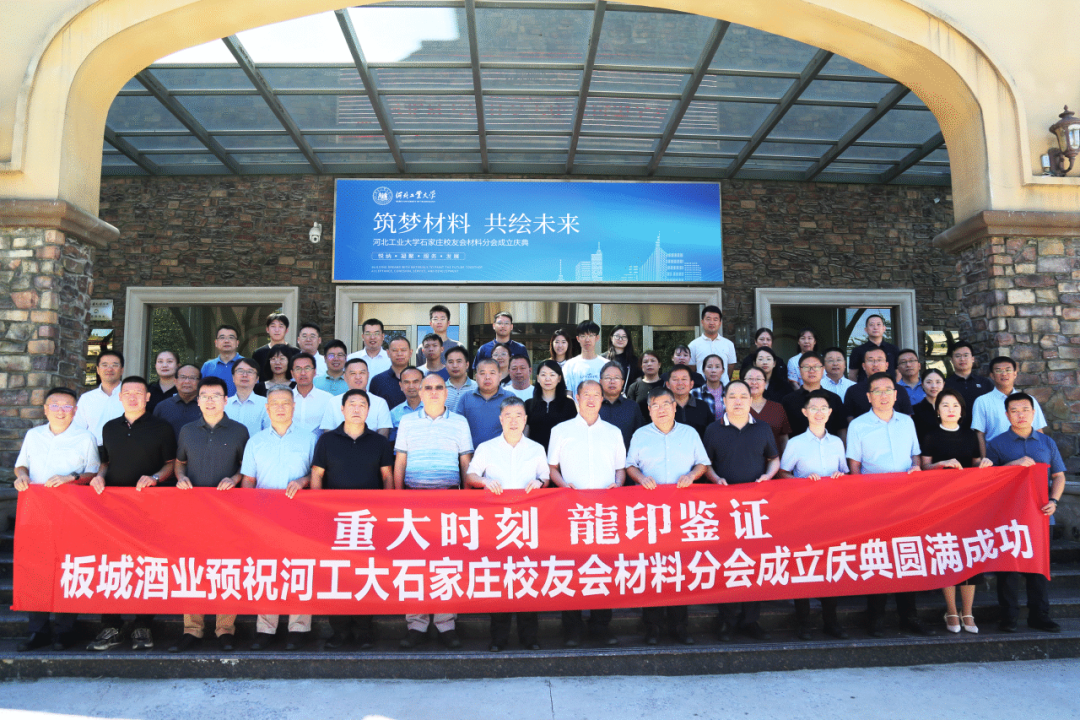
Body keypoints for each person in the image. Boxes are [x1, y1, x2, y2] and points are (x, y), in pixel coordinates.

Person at [86, 375, 177, 652]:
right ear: (120, 397)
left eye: (139, 392)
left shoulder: (162, 427)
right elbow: (106, 462)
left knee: (146, 565)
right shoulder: (109, 427)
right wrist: (99, 477)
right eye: (128, 393)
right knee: (111, 564)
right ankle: (110, 624)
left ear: (148, 397)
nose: (133, 397)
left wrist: (155, 478)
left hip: (149, 507)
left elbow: (171, 464)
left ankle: (143, 624)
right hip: (113, 509)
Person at [13, 387, 100, 652]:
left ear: (75, 411)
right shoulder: (33, 435)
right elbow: (21, 464)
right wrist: (21, 475)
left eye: (67, 406)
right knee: (36, 569)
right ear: (45, 409)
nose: (60, 411)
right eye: (55, 405)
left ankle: (64, 631)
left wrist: (70, 478)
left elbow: (92, 473)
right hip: (36, 511)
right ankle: (37, 630)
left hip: (70, 512)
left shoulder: (85, 437)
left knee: (67, 568)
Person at [169, 376, 249, 653]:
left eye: (216, 396)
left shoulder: (239, 431)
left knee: (227, 568)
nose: (210, 400)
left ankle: (225, 629)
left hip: (229, 512)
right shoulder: (187, 430)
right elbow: (180, 463)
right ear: (198, 400)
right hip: (194, 512)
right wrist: (180, 477)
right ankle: (192, 629)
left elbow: (246, 468)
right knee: (193, 568)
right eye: (205, 395)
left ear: (226, 400)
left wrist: (234, 479)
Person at [846, 372, 930, 637]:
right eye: (877, 391)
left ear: (896, 394)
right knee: (878, 557)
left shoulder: (907, 421)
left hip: (906, 499)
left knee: (907, 555)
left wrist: (916, 468)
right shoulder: (858, 425)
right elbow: (854, 465)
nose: (883, 395)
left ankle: (909, 616)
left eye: (888, 390)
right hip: (875, 501)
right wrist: (861, 499)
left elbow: (915, 455)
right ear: (869, 396)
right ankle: (876, 618)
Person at [394, 373, 474, 650]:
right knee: (414, 566)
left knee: (446, 565)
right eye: (427, 387)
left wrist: (467, 501)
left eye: (439, 387)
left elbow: (466, 463)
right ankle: (416, 624)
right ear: (420, 391)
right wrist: (397, 500)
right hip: (413, 501)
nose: (433, 391)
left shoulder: (459, 422)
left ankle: (445, 624)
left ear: (446, 392)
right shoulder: (407, 421)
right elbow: (400, 461)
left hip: (449, 502)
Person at [311, 388, 394, 651]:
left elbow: (387, 477)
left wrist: (387, 512)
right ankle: (339, 632)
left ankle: (364, 631)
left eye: (362, 405)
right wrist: (318, 509)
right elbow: (317, 475)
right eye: (352, 404)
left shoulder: (379, 442)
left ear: (369, 411)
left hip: (369, 521)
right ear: (342, 409)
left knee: (365, 574)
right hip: (334, 520)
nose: (357, 409)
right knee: (337, 574)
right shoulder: (327, 441)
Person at [625, 386, 708, 646]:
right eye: (655, 405)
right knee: (652, 569)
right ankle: (652, 627)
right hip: (649, 514)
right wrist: (641, 478)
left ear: (674, 406)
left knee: (679, 568)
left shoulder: (689, 433)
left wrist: (692, 475)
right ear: (649, 410)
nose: (661, 409)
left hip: (682, 513)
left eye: (665, 404)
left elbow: (702, 463)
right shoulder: (640, 435)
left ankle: (680, 626)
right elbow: (630, 465)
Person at [465, 396, 549, 651]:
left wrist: (539, 483)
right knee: (499, 579)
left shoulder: (536, 448)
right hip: (497, 524)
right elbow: (470, 475)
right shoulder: (487, 447)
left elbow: (545, 476)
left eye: (518, 416)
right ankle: (498, 639)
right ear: (501, 419)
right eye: (508, 416)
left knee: (527, 577)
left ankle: (529, 638)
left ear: (525, 419)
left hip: (527, 523)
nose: (513, 421)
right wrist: (484, 482)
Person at [548, 380, 626, 647]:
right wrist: (563, 486)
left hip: (605, 511)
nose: (591, 399)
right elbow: (551, 467)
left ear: (603, 399)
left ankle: (601, 626)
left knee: (602, 567)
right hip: (571, 511)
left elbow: (620, 469)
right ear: (577, 398)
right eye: (586, 394)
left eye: (596, 394)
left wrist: (618, 485)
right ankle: (572, 628)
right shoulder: (561, 430)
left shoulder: (613, 432)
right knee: (571, 568)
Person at [240, 386, 318, 651]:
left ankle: (299, 628)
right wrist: (248, 515)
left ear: (294, 406)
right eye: (275, 403)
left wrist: (303, 481)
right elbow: (248, 480)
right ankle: (265, 628)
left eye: (286, 402)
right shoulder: (256, 441)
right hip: (265, 516)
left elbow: (317, 474)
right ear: (267, 408)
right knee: (267, 571)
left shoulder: (309, 439)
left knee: (300, 570)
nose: (281, 407)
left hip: (300, 515)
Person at [704, 379, 779, 641]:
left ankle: (750, 620)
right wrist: (715, 478)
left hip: (755, 510)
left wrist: (768, 476)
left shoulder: (763, 428)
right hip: (724, 509)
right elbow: (705, 464)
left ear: (751, 400)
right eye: (732, 396)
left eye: (743, 396)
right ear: (723, 400)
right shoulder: (713, 429)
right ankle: (726, 620)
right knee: (727, 563)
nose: (738, 401)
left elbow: (773, 458)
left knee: (753, 563)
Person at [985, 392, 1066, 634]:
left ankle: (1040, 616)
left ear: (1033, 413)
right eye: (1015, 410)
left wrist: (1054, 500)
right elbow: (988, 479)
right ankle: (1008, 617)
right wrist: (1012, 465)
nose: (1020, 415)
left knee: (1038, 570)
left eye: (1025, 410)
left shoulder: (1046, 442)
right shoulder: (996, 443)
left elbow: (1059, 475)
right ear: (1007, 414)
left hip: (1040, 515)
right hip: (1009, 517)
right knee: (1008, 569)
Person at [776, 389, 849, 641]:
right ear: (805, 412)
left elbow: (845, 472)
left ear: (830, 412)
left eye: (823, 408)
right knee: (803, 566)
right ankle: (804, 623)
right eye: (814, 408)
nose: (819, 412)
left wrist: (841, 476)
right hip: (803, 514)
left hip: (832, 513)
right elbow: (783, 472)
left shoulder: (837, 443)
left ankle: (831, 621)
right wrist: (802, 482)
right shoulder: (796, 443)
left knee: (831, 565)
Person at [918, 388, 991, 635]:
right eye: (945, 405)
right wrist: (941, 465)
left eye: (955, 406)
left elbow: (976, 466)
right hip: (940, 503)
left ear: (962, 411)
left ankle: (967, 611)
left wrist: (984, 464)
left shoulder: (970, 436)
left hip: (968, 503)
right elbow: (924, 467)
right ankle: (951, 610)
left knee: (970, 556)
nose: (951, 410)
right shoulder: (930, 435)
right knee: (947, 554)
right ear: (938, 410)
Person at [972, 355, 1048, 457]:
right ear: (992, 375)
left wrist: (1043, 455)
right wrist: (985, 460)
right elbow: (979, 434)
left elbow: (1038, 430)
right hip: (997, 456)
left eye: (1008, 370)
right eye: (998, 370)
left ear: (1015, 373)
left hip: (1029, 455)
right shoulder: (982, 401)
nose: (1004, 374)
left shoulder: (1029, 400)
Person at [782, 352, 847, 442]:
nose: (811, 371)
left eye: (816, 367)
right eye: (806, 367)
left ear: (823, 369)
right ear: (800, 370)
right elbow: (784, 435)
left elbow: (842, 430)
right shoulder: (788, 400)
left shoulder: (834, 399)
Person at [319, 358, 392, 437]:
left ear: (368, 375)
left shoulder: (380, 403)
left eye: (362, 373)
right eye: (353, 373)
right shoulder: (334, 402)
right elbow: (328, 432)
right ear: (345, 377)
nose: (358, 377)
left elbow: (383, 433)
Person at [844, 347, 913, 421]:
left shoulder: (900, 390)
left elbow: (907, 419)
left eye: (879, 360)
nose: (875, 364)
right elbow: (850, 419)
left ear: (887, 365)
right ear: (864, 366)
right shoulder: (852, 391)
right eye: (870, 360)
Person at [73, 349, 125, 446]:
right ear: (98, 370)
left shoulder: (130, 397)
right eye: (104, 365)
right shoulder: (86, 399)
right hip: (93, 450)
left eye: (114, 365)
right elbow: (78, 429)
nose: (109, 369)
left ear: (122, 370)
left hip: (124, 449)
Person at [458, 358, 513, 449]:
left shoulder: (510, 398)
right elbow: (457, 427)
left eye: (492, 373)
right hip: (471, 453)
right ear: (476, 377)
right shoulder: (466, 398)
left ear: (499, 376)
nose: (487, 377)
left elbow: (516, 428)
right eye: (482, 373)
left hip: (502, 453)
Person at [524, 360, 577, 451]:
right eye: (543, 375)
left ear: (559, 378)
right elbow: (525, 434)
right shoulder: (529, 404)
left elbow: (573, 433)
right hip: (535, 455)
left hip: (561, 455)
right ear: (538, 378)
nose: (547, 379)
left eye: (552, 375)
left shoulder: (569, 404)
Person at [743, 366, 791, 457]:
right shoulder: (735, 408)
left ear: (765, 383)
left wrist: (785, 462)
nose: (754, 382)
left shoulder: (777, 408)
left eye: (758, 379)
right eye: (750, 379)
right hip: (744, 462)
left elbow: (784, 439)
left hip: (775, 462)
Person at [598, 361, 645, 449]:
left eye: (616, 378)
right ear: (600, 381)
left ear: (622, 382)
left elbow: (641, 437)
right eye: (608, 378)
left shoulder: (632, 407)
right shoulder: (593, 407)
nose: (612, 381)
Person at [944, 342, 993, 423]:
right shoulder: (945, 384)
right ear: (951, 360)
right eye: (958, 356)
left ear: (973, 359)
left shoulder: (985, 383)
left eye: (966, 355)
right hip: (954, 428)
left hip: (981, 428)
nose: (962, 359)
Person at [152, 364, 201, 439]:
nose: (187, 381)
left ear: (200, 382)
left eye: (192, 378)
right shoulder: (162, 407)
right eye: (183, 377)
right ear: (175, 381)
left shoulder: (207, 406)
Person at [225, 357, 270, 439]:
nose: (244, 375)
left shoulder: (266, 404)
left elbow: (270, 433)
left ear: (257, 379)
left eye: (250, 372)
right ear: (233, 377)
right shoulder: (223, 405)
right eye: (240, 371)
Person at [562, 320, 608, 400]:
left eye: (591, 335)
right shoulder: (569, 365)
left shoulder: (606, 364)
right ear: (578, 338)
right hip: (576, 408)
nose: (587, 339)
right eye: (583, 336)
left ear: (597, 338)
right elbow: (568, 393)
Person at [688, 304, 736, 380]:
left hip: (724, 386)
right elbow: (692, 369)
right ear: (702, 322)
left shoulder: (729, 344)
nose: (712, 322)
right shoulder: (693, 345)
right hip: (701, 386)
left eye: (715, 319)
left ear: (720, 323)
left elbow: (730, 370)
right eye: (708, 319)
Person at [289, 353, 334, 434]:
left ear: (315, 372)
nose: (303, 373)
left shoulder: (328, 399)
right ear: (292, 373)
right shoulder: (284, 398)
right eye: (298, 369)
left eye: (307, 368)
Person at [847, 314, 899, 381]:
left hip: (889, 387)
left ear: (884, 328)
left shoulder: (894, 349)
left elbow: (899, 373)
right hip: (865, 387)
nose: (875, 328)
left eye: (878, 324)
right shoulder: (857, 351)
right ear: (866, 329)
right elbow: (852, 375)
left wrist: (894, 386)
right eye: (871, 325)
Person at [666, 364, 712, 440]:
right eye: (675, 379)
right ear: (668, 385)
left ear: (691, 384)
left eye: (684, 379)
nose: (680, 383)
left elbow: (710, 434)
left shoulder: (703, 406)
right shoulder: (662, 408)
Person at [252, 312, 299, 383]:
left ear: (286, 330)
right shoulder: (258, 353)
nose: (277, 330)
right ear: (267, 329)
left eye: (281, 326)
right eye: (273, 326)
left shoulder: (296, 352)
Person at [369, 335, 412, 409]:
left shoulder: (421, 378)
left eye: (403, 350)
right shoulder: (377, 381)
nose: (399, 354)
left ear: (410, 353)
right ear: (388, 353)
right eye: (395, 350)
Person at [200, 324, 243, 397]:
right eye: (222, 337)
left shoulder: (247, 364)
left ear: (237, 343)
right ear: (216, 343)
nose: (226, 341)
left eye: (231, 337)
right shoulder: (207, 366)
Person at [388, 366, 425, 441]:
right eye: (406, 382)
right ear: (401, 386)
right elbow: (392, 442)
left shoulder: (435, 410)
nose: (411, 386)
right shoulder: (394, 413)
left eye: (415, 382)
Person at [912, 368, 946, 444]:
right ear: (922, 385)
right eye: (929, 382)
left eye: (938, 382)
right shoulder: (915, 411)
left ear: (943, 384)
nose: (934, 386)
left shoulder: (950, 408)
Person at [691, 354, 725, 421]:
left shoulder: (729, 393)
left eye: (717, 367)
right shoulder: (694, 393)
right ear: (703, 370)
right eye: (709, 367)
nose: (713, 371)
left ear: (722, 371)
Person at [444, 345, 477, 412]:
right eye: (450, 362)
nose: (455, 366)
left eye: (459, 361)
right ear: (446, 366)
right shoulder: (440, 389)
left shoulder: (477, 387)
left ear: (467, 365)